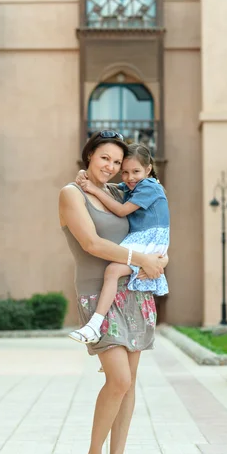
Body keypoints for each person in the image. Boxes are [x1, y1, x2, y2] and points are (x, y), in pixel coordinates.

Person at [59, 130, 168, 454]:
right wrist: (141, 259)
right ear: (89, 156)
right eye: (104, 158)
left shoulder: (119, 192)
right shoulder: (71, 194)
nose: (112, 166)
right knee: (118, 379)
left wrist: (157, 258)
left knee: (128, 384)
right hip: (98, 294)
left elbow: (148, 223)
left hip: (135, 290)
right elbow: (91, 243)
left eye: (118, 162)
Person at [69, 143, 169, 345]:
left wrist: (92, 190)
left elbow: (121, 210)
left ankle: (94, 325)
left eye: (135, 171)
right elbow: (106, 187)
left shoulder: (149, 186)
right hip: (143, 240)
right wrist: (84, 174)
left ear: (148, 169)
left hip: (148, 239)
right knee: (116, 271)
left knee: (113, 271)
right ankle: (98, 329)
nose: (130, 177)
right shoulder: (133, 186)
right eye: (124, 172)